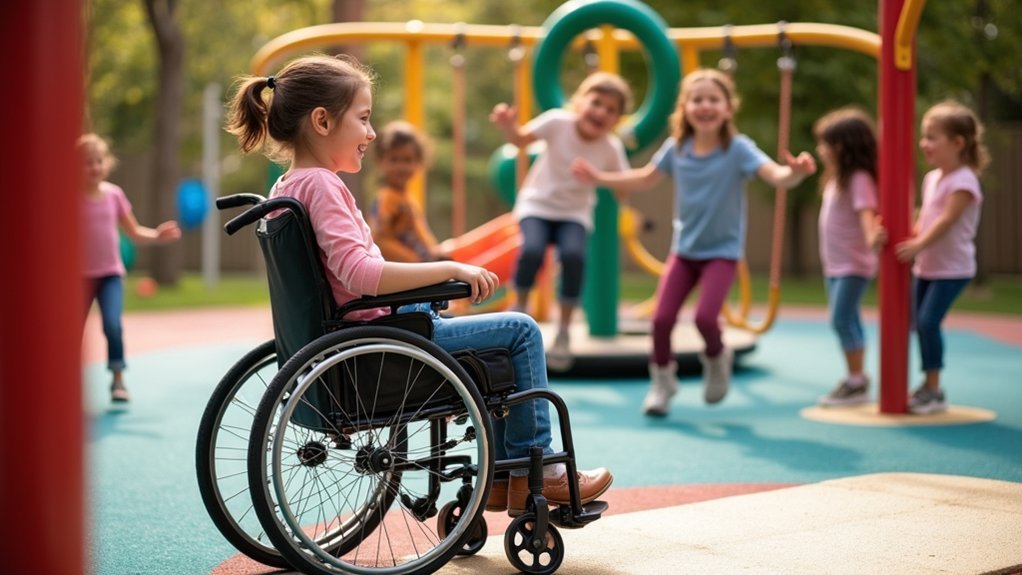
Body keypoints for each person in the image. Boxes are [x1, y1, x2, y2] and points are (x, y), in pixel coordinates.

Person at [225, 54, 612, 516]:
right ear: (323, 121)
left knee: (485, 350)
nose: (371, 133)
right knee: (521, 332)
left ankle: (502, 479)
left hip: (351, 339)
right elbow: (361, 275)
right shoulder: (323, 186)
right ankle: (539, 468)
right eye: (364, 119)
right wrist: (449, 269)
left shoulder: (287, 187)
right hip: (383, 342)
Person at [573, 69, 816, 416]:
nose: (705, 106)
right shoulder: (678, 149)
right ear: (685, 108)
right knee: (660, 321)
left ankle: (717, 358)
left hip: (722, 253)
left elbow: (775, 175)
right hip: (685, 252)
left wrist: (794, 173)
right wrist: (600, 178)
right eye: (697, 99)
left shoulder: (738, 150)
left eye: (713, 99)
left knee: (705, 319)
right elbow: (645, 178)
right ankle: (662, 383)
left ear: (728, 108)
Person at [489, 72, 632, 371]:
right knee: (532, 251)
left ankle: (564, 329)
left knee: (574, 256)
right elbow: (520, 140)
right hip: (537, 205)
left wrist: (601, 179)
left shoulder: (610, 148)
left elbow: (623, 186)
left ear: (617, 119)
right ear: (580, 103)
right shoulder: (557, 122)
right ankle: (520, 307)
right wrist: (506, 125)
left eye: (611, 110)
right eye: (596, 103)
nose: (601, 112)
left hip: (573, 214)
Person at [893, 100, 988, 415]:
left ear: (958, 143)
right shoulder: (933, 178)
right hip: (928, 267)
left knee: (928, 321)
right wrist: (913, 232)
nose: (924, 143)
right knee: (918, 324)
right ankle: (927, 384)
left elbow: (946, 221)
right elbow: (927, 215)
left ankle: (934, 389)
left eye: (932, 137)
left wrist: (918, 244)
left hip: (953, 269)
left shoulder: (964, 180)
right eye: (923, 135)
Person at [80, 133, 182, 403]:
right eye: (87, 162)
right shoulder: (70, 198)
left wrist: (158, 235)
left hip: (110, 274)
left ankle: (117, 379)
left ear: (107, 163)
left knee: (112, 325)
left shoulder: (114, 196)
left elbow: (134, 232)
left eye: (98, 161)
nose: (94, 167)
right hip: (78, 278)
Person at [812, 108, 885, 407]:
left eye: (824, 144)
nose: (820, 150)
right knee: (848, 318)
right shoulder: (838, 178)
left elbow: (866, 212)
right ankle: (857, 379)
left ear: (841, 147)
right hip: (837, 263)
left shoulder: (858, 179)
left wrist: (871, 237)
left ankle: (856, 381)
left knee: (841, 318)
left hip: (853, 264)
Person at [367, 120, 447, 262]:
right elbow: (378, 240)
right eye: (394, 160)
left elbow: (420, 232)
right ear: (381, 161)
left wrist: (434, 251)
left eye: (407, 160)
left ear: (418, 162)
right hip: (403, 272)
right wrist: (414, 260)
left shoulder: (406, 197)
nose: (401, 167)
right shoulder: (387, 198)